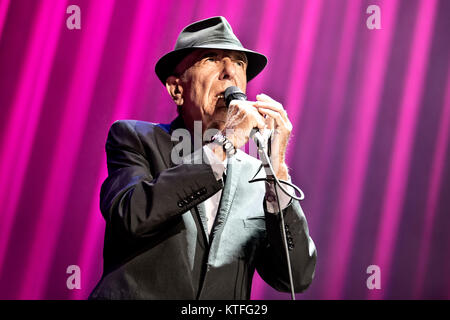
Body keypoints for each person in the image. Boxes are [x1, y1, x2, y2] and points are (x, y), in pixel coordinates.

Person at [89, 16, 316, 300]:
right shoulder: (136, 138)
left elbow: (296, 276)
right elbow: (130, 216)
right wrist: (227, 143)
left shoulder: (259, 176)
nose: (230, 72)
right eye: (212, 58)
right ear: (176, 89)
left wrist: (278, 172)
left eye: (240, 64)